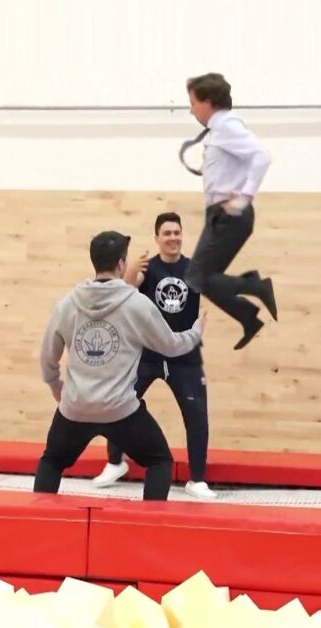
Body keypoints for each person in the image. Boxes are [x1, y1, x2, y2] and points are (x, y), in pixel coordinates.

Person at [35, 231, 207, 501]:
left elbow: (47, 359)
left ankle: (38, 517)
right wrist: (195, 332)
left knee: (52, 460)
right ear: (121, 264)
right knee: (159, 460)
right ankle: (149, 523)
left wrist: (56, 387)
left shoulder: (67, 304)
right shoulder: (137, 304)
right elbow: (171, 346)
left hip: (75, 408)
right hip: (120, 411)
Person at [91, 212, 217, 499]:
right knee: (118, 402)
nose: (173, 237)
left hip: (184, 354)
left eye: (177, 232)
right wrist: (130, 273)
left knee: (197, 415)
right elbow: (120, 294)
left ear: (182, 235)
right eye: (167, 233)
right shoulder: (147, 268)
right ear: (157, 238)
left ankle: (197, 479)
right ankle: (115, 462)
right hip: (147, 353)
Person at [180, 72, 278, 350]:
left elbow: (262, 157)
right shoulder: (221, 130)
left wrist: (244, 197)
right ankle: (248, 317)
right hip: (220, 215)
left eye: (193, 103)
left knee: (197, 278)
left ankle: (255, 288)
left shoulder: (226, 126)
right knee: (205, 279)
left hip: (229, 216)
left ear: (208, 102)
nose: (191, 110)